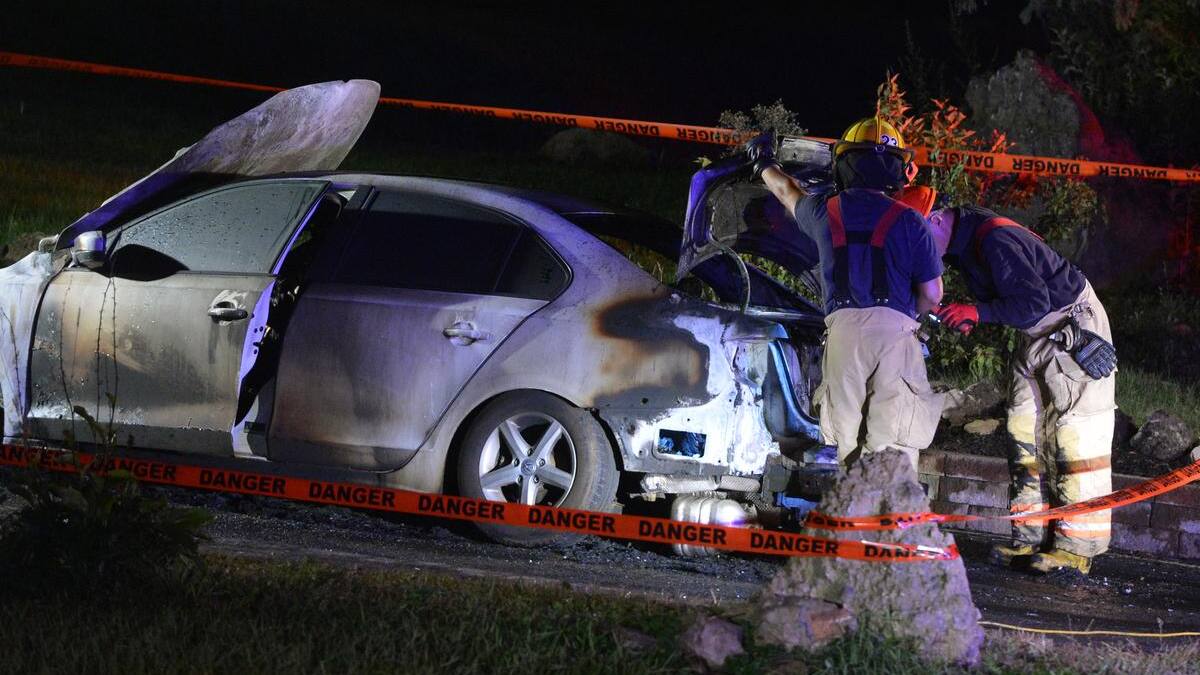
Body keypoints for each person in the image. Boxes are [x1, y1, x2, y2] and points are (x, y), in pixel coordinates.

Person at [927, 205, 1117, 575]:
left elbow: (1033, 303)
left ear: (935, 218)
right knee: (1024, 433)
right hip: (1036, 333)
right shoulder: (967, 243)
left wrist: (977, 312)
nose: (918, 246)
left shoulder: (994, 240)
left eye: (919, 235)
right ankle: (1030, 538)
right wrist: (975, 311)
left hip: (1071, 331)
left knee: (1075, 438)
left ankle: (1076, 550)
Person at [752, 117, 945, 472]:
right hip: (895, 338)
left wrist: (764, 162)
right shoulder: (911, 220)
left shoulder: (824, 211)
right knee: (893, 448)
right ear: (898, 168)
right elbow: (933, 294)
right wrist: (911, 320)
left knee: (849, 447)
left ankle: (855, 501)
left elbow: (785, 190)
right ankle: (889, 504)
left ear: (843, 162)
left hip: (843, 337)